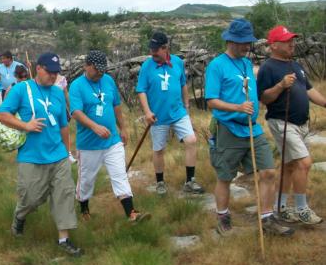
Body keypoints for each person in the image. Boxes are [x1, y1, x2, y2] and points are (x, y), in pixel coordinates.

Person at [205, 19, 294, 236]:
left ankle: (267, 218)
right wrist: (237, 107)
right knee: (225, 177)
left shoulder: (246, 63)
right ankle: (223, 217)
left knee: (268, 172)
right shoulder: (217, 65)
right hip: (228, 128)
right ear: (231, 41)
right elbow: (211, 101)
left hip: (253, 129)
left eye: (249, 42)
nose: (247, 46)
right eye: (243, 42)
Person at [0, 53, 82, 257]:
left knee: (64, 194)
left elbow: (63, 126)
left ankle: (64, 239)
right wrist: (25, 125)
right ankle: (20, 216)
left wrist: (67, 151)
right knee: (31, 198)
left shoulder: (58, 93)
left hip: (58, 155)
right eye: (50, 72)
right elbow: (1, 114)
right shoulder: (21, 89)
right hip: (31, 157)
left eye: (56, 73)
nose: (53, 76)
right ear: (38, 69)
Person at [70, 51, 151, 223]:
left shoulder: (108, 80)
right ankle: (84, 209)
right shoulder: (77, 86)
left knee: (119, 174)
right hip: (89, 145)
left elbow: (116, 105)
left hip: (112, 140)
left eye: (102, 69)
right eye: (96, 69)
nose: (100, 72)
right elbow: (75, 112)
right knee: (86, 181)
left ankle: (132, 214)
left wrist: (123, 128)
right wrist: (95, 127)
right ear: (86, 66)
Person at [257, 25, 326, 225]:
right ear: (274, 45)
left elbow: (309, 90)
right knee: (304, 163)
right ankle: (302, 209)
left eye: (292, 40)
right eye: (287, 41)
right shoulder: (268, 68)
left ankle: (280, 208)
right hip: (282, 122)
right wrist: (281, 85)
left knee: (289, 166)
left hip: (301, 124)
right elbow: (264, 98)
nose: (292, 44)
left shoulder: (295, 65)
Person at [136, 31, 204, 195]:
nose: (153, 53)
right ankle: (160, 182)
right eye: (151, 49)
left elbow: (183, 84)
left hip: (178, 112)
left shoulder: (177, 62)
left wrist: (186, 106)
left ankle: (190, 181)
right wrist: (147, 112)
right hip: (157, 116)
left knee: (191, 140)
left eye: (156, 49)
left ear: (165, 48)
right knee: (159, 149)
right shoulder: (146, 66)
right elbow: (141, 90)